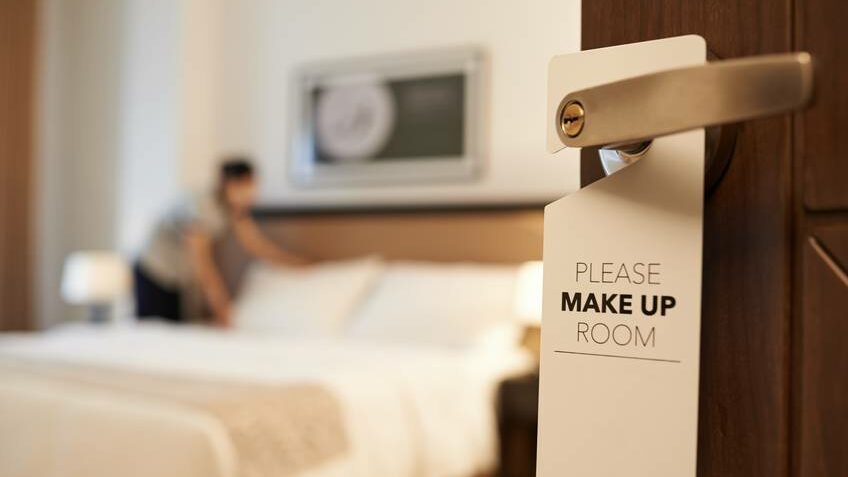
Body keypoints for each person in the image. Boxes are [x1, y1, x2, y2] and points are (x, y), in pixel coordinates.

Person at [133, 158, 308, 326]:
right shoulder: (201, 206)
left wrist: (301, 266)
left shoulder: (234, 210)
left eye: (251, 185)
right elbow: (203, 263)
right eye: (243, 185)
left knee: (172, 334)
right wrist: (221, 308)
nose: (250, 193)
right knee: (152, 331)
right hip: (153, 271)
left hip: (178, 278)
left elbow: (257, 246)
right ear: (226, 183)